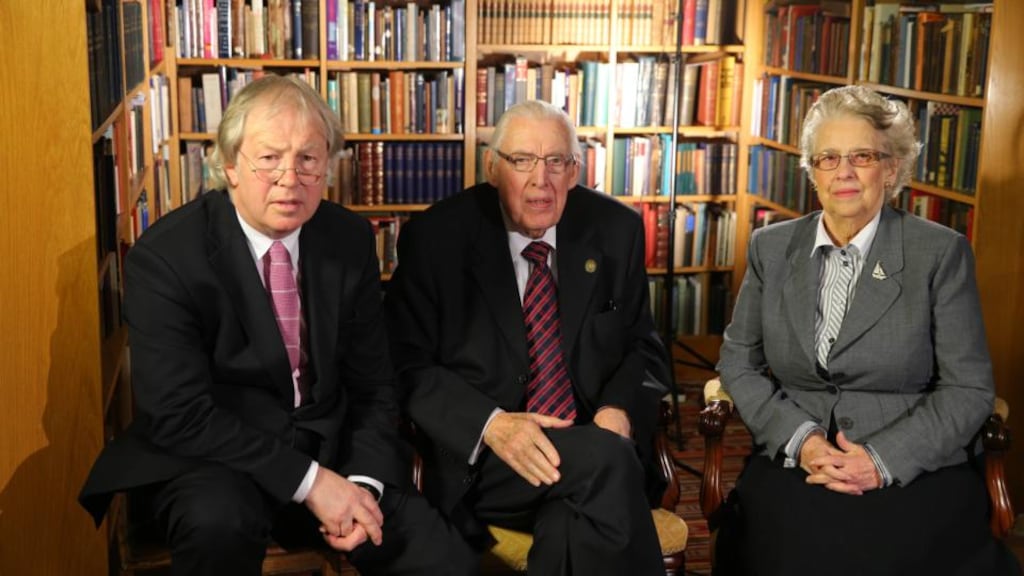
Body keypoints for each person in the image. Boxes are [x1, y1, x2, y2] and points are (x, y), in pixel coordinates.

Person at [78, 75, 474, 575]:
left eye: (308, 159)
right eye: (269, 158)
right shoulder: (166, 257)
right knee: (215, 527)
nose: (290, 177)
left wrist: (363, 483)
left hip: (335, 453)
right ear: (230, 165)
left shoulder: (349, 237)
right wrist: (313, 483)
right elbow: (180, 413)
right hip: (219, 460)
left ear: (327, 167)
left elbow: (374, 384)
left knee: (444, 559)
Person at [716, 85, 1021, 575]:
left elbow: (968, 389)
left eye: (862, 156)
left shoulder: (939, 253)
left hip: (912, 465)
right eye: (828, 158)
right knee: (776, 550)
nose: (844, 173)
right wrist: (804, 441)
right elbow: (737, 362)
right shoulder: (771, 248)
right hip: (802, 461)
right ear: (811, 171)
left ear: (892, 168)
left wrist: (880, 461)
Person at [383, 99, 671, 575]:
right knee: (608, 465)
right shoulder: (437, 238)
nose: (542, 179)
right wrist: (493, 424)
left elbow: (644, 344)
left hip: (593, 447)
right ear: (493, 168)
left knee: (570, 520)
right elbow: (404, 364)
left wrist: (617, 408)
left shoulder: (614, 229)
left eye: (556, 161)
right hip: (487, 461)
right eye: (523, 161)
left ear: (575, 171)